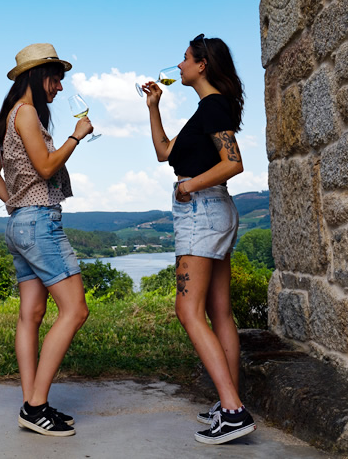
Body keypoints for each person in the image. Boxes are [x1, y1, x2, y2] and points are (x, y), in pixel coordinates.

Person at [141, 34, 256, 445]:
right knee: (219, 311)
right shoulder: (205, 110)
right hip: (211, 209)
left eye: (185, 59)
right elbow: (163, 151)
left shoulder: (212, 106)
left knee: (188, 310)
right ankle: (230, 402)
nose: (180, 65)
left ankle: (232, 410)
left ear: (202, 64)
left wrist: (188, 189)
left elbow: (233, 162)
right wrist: (154, 108)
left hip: (201, 209)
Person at [0, 43, 92, 437]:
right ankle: (34, 406)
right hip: (38, 224)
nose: (59, 88)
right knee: (75, 311)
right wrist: (75, 137)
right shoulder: (27, 113)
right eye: (56, 79)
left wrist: (16, 204)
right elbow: (46, 167)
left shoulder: (7, 119)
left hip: (18, 224)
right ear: (38, 75)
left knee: (30, 316)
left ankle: (33, 403)